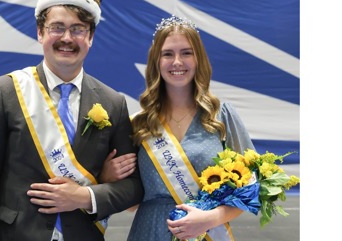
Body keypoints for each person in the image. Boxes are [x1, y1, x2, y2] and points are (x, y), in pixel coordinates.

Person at [0, 0, 144, 241]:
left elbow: (133, 187)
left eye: (78, 29)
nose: (67, 39)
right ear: (40, 33)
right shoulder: (5, 91)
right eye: (57, 27)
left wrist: (85, 197)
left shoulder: (113, 102)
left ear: (91, 37)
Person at [102, 15, 257, 241]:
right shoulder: (139, 124)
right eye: (168, 54)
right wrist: (108, 176)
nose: (177, 62)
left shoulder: (221, 116)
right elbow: (131, 203)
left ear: (198, 60)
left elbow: (250, 189)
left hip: (208, 232)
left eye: (186, 53)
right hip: (149, 231)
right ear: (156, 61)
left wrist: (210, 219)